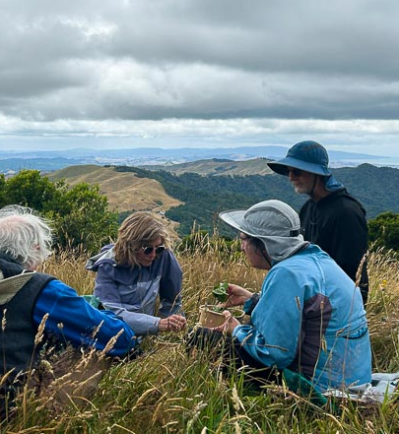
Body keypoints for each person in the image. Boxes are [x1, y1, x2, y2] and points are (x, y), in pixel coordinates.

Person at [0, 205, 137, 424]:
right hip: (3, 419)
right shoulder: (42, 290)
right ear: (36, 249)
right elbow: (120, 338)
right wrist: (103, 312)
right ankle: (53, 421)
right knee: (101, 349)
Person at [190, 200, 371, 394]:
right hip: (351, 380)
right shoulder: (314, 259)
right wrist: (252, 301)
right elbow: (302, 316)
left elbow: (276, 353)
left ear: (264, 244)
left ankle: (225, 397)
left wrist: (235, 328)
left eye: (243, 239)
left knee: (202, 337)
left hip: (319, 388)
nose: (241, 246)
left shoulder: (286, 273)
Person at [267, 140, 369, 304]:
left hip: (339, 305)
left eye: (298, 171)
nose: (291, 177)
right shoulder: (308, 208)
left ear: (317, 174)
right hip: (314, 297)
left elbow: (350, 268)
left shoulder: (346, 212)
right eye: (289, 170)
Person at [86, 212, 186, 336]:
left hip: (148, 334)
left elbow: (172, 303)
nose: (154, 255)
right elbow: (109, 315)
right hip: (115, 335)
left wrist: (175, 328)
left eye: (158, 248)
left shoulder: (164, 257)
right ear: (131, 246)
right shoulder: (108, 266)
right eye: (148, 249)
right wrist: (157, 324)